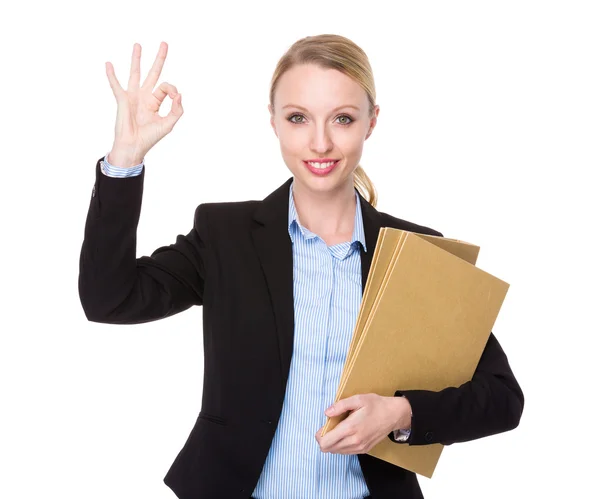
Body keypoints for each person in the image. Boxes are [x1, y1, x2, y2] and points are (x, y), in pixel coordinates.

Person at [79, 35, 524, 499]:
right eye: (298, 118)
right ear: (273, 121)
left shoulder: (417, 252)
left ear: (371, 123)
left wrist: (402, 413)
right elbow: (109, 298)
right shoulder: (224, 235)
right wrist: (124, 161)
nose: (320, 142)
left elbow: (502, 397)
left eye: (343, 119)